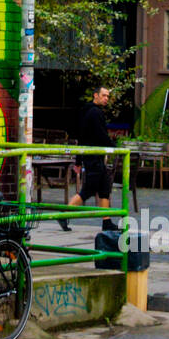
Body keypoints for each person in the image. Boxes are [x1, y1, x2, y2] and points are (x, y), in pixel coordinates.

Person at [61, 85, 114, 231]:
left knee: (104, 188)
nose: (106, 99)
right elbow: (100, 135)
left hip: (92, 155)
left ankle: (106, 221)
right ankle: (65, 214)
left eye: (108, 96)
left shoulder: (88, 112)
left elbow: (81, 137)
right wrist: (113, 145)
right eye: (104, 95)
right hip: (93, 157)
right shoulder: (95, 113)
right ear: (95, 95)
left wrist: (79, 159)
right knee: (88, 190)